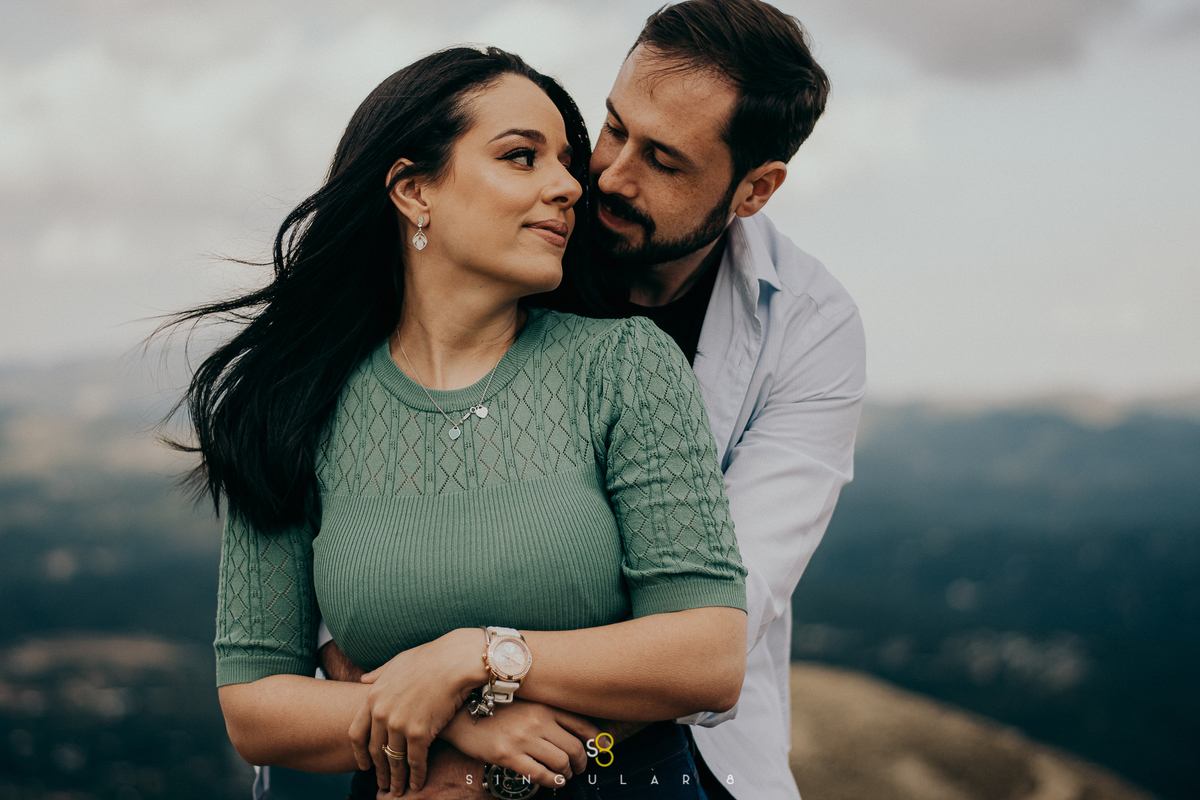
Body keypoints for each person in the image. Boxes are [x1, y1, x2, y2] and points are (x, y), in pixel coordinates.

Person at [167, 46, 749, 800]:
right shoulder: (290, 403)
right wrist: (455, 725)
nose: (570, 186)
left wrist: (476, 658)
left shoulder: (625, 366)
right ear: (414, 191)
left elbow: (708, 656)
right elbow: (255, 706)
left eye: (564, 162)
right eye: (521, 157)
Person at [323, 2, 867, 798]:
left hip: (675, 751)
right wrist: (460, 728)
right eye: (613, 127)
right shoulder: (511, 235)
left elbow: (715, 630)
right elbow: (340, 573)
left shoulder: (813, 328)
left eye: (664, 160)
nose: (606, 175)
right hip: (417, 740)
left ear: (755, 189)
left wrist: (484, 714)